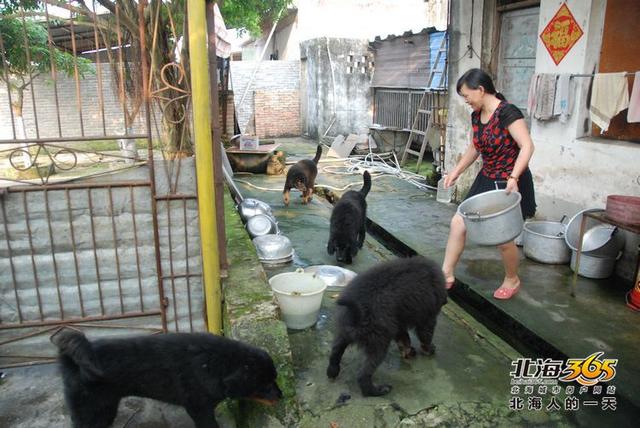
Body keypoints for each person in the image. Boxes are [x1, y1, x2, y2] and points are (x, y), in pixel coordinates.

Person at [442, 68, 536, 300]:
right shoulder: (477, 114)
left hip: (510, 181)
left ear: (481, 90)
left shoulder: (507, 113)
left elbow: (527, 146)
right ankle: (446, 273)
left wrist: (514, 177)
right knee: (458, 223)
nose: (465, 100)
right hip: (487, 177)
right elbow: (476, 147)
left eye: (466, 95)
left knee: (503, 239)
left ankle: (512, 279)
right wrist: (456, 172)